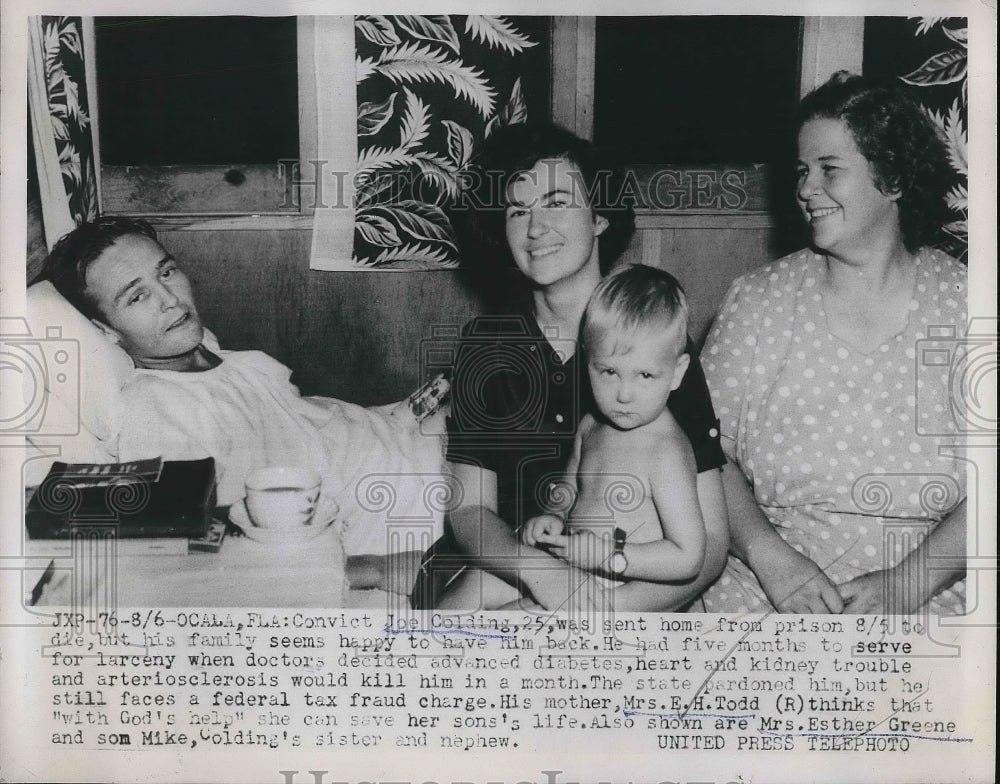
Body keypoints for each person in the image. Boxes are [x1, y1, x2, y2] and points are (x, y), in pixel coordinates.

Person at [419, 122, 729, 612]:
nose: (535, 227)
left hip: (620, 585)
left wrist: (599, 615)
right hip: (512, 564)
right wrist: (538, 573)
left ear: (601, 216)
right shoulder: (485, 345)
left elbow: (709, 544)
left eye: (557, 202)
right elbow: (470, 511)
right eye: (518, 210)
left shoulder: (655, 340)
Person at [701, 72, 967, 616]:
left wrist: (906, 585)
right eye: (802, 171)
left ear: (891, 179)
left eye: (829, 170)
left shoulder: (967, 304)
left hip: (931, 585)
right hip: (764, 583)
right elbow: (703, 454)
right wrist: (771, 558)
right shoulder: (755, 302)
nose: (805, 188)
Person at [41, 216, 442, 565]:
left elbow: (307, 427)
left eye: (165, 272)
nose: (170, 298)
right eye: (137, 296)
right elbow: (204, 542)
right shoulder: (156, 407)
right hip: (426, 509)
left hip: (421, 442)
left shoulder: (218, 357)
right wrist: (373, 568)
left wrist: (410, 413)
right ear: (106, 330)